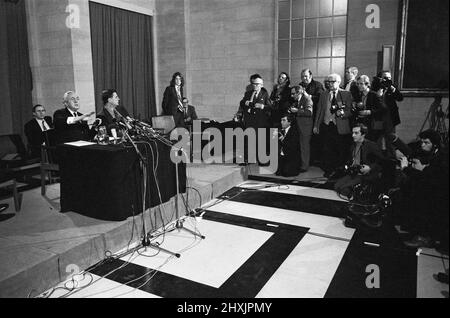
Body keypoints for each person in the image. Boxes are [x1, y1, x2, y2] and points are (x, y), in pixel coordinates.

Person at [394, 129, 449, 248]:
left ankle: (423, 237)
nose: (422, 145)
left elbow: (427, 178)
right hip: (434, 189)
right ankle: (410, 226)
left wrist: (406, 169)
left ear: (435, 144)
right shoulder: (435, 153)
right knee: (408, 188)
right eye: (422, 142)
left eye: (426, 142)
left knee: (417, 196)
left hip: (439, 195)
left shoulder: (441, 158)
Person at [313, 73, 353, 178]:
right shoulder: (323, 94)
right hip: (326, 125)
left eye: (332, 81)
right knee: (327, 149)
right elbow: (319, 111)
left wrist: (343, 113)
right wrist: (316, 125)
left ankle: (339, 171)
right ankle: (329, 170)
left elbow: (350, 111)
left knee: (340, 149)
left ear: (339, 82)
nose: (330, 84)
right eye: (328, 82)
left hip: (340, 126)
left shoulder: (346, 94)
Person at [334, 123, 385, 199]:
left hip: (366, 175)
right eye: (353, 133)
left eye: (356, 133)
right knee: (337, 186)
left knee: (344, 188)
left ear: (363, 134)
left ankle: (359, 190)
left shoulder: (371, 145)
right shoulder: (353, 146)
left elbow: (382, 161)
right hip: (355, 173)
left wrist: (370, 167)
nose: (353, 135)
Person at [239, 74, 272, 163]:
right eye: (254, 84)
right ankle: (248, 158)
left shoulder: (264, 94)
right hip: (250, 120)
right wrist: (246, 103)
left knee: (260, 140)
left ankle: (261, 158)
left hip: (260, 120)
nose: (255, 85)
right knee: (249, 139)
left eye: (258, 84)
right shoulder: (248, 93)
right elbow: (241, 103)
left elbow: (270, 107)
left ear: (262, 85)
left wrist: (262, 106)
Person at [299, 68, 324, 166]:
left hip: (314, 116)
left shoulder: (318, 85)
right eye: (302, 76)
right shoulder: (300, 85)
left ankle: (313, 161)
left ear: (311, 76)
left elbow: (320, 99)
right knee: (304, 142)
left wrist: (308, 96)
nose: (304, 78)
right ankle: (305, 161)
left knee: (314, 141)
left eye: (305, 76)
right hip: (302, 117)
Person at [352, 75, 386, 142]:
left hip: (371, 124)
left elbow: (383, 109)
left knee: (370, 144)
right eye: (358, 84)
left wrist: (370, 112)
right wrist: (355, 106)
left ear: (367, 84)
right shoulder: (358, 95)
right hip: (361, 124)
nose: (359, 86)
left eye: (361, 84)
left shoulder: (373, 95)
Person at [289, 85, 313, 172]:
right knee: (300, 146)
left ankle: (305, 166)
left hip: (305, 127)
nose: (292, 96)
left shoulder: (307, 99)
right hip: (299, 125)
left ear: (299, 93)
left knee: (304, 147)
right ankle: (301, 164)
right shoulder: (299, 99)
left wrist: (297, 111)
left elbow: (309, 112)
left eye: (293, 94)